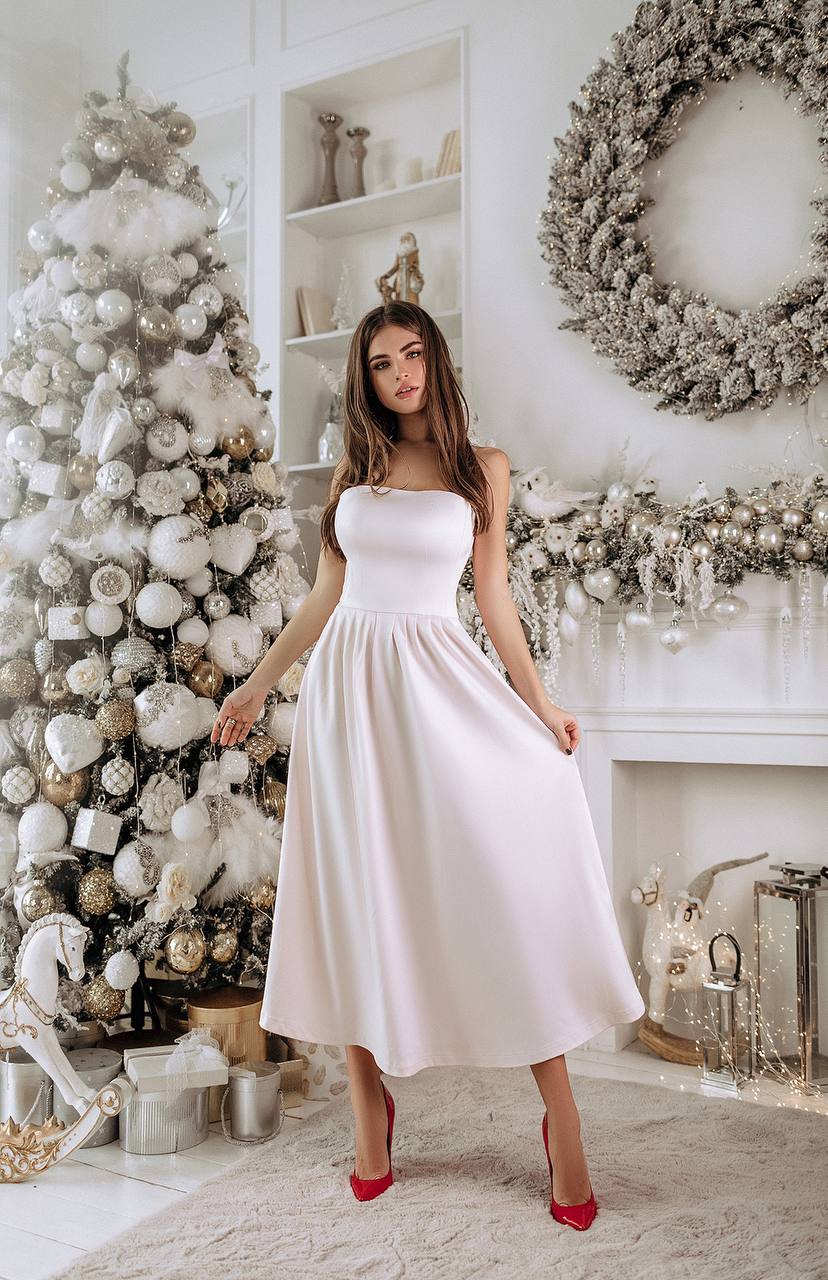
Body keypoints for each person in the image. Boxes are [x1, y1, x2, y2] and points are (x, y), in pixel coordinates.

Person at [211, 300, 645, 1224]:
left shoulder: (481, 470)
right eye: (380, 363)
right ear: (364, 380)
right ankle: (370, 1111)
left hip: (438, 685)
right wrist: (256, 686)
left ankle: (562, 1120)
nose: (401, 373)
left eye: (413, 355)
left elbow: (494, 601)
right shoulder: (355, 471)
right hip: (347, 697)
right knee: (358, 894)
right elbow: (328, 594)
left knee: (497, 879)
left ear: (435, 361)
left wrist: (541, 705)